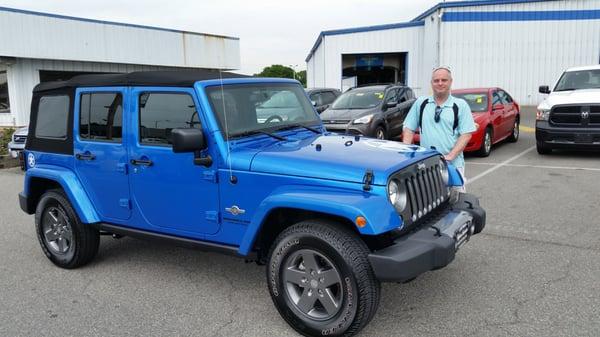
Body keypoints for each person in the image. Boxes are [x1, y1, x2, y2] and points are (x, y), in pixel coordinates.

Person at [402, 66, 476, 191]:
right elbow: (408, 128)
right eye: (436, 80)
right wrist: (406, 153)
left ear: (450, 82)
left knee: (455, 202)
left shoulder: (460, 105)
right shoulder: (421, 103)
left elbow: (466, 134)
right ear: (431, 83)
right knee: (428, 203)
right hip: (426, 165)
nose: (440, 83)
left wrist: (451, 155)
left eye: (444, 80)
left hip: (452, 166)